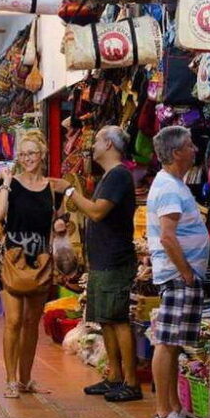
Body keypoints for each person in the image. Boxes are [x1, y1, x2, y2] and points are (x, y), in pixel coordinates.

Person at [50, 126, 141, 402]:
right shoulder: (109, 176)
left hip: (115, 258)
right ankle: (114, 375)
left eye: (99, 140)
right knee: (106, 319)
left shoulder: (119, 175)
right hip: (103, 258)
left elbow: (97, 211)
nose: (93, 145)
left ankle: (132, 381)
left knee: (118, 319)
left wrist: (68, 191)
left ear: (111, 145)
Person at [146, 126, 207, 418]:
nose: (195, 149)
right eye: (189, 145)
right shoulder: (169, 188)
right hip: (177, 276)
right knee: (166, 342)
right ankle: (163, 412)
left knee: (171, 342)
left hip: (180, 275)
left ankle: (175, 409)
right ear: (175, 153)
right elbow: (168, 238)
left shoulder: (174, 184)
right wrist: (185, 272)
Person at [0, 130, 60, 399]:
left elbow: (57, 219)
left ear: (42, 155)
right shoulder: (10, 183)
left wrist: (61, 224)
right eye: (22, 154)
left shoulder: (51, 187)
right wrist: (7, 184)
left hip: (40, 258)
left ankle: (25, 378)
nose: (27, 158)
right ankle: (10, 379)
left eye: (31, 153)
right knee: (14, 320)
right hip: (13, 256)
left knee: (32, 322)